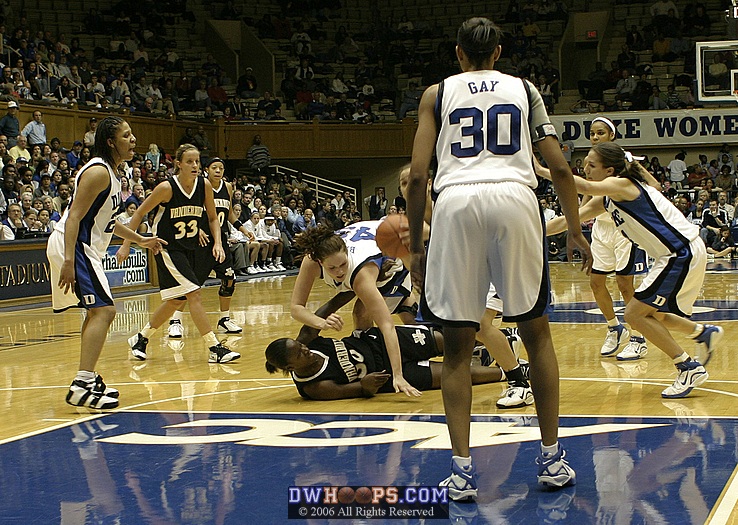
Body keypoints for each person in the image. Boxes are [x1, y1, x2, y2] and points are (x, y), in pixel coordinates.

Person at [405, 17, 592, 499]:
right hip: (514, 198)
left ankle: (464, 472)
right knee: (537, 332)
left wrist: (417, 247)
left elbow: (420, 173)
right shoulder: (524, 88)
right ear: (499, 52)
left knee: (457, 345)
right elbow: (561, 168)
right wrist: (574, 230)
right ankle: (551, 460)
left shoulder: (436, 93)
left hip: (457, 203)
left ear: (459, 53)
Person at [547, 141, 723, 397]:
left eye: (591, 164)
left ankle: (688, 367)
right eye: (584, 163)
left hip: (679, 252)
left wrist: (541, 169)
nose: (585, 167)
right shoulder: (608, 199)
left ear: (610, 170)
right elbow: (569, 219)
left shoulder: (622, 185)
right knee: (654, 315)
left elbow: (582, 186)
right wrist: (534, 231)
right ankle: (703, 333)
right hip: (676, 254)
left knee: (634, 314)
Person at [46, 116, 165, 409]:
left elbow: (109, 222)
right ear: (111, 142)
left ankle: (86, 379)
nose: (133, 139)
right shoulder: (98, 172)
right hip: (74, 245)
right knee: (105, 311)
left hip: (82, 247)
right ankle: (82, 383)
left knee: (97, 312)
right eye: (126, 135)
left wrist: (141, 240)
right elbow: (73, 216)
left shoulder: (113, 174)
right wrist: (69, 260)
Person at [119, 144, 240, 364]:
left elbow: (213, 218)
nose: (195, 166)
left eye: (197, 162)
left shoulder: (203, 185)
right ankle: (214, 347)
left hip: (190, 248)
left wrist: (218, 243)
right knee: (194, 294)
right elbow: (139, 213)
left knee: (177, 300)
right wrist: (126, 244)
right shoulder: (166, 188)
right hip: (166, 248)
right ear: (178, 164)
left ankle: (140, 338)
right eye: (189, 162)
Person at [543, 117, 652, 361]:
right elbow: (584, 201)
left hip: (625, 230)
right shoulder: (595, 165)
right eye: (592, 133)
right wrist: (576, 226)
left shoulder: (624, 162)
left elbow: (653, 185)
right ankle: (615, 327)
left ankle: (638, 338)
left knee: (625, 285)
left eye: (600, 132)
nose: (594, 137)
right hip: (602, 229)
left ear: (611, 136)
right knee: (596, 283)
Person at [265, 299, 507, 400]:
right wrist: (367, 385)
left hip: (380, 341)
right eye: (300, 353)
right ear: (290, 367)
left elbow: (323, 310)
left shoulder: (307, 341)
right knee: (453, 374)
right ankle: (511, 372)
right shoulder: (315, 387)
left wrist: (349, 288)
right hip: (389, 377)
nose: (305, 349)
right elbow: (359, 389)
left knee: (453, 338)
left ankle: (503, 339)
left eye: (301, 346)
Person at [290, 222, 421, 397]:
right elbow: (296, 308)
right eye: (332, 268)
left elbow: (387, 326)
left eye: (343, 264)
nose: (339, 271)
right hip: (373, 239)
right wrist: (321, 322)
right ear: (320, 262)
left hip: (394, 251)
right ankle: (377, 352)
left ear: (346, 254)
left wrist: (398, 375)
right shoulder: (311, 259)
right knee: (363, 309)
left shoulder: (361, 275)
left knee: (366, 312)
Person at [166, 157, 256, 337]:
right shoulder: (200, 185)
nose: (218, 171)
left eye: (221, 168)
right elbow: (192, 209)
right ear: (206, 169)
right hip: (201, 241)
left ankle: (224, 319)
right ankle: (175, 320)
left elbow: (228, 213)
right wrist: (197, 228)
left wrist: (243, 229)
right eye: (214, 167)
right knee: (191, 284)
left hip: (220, 239)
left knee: (229, 277)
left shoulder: (228, 187)